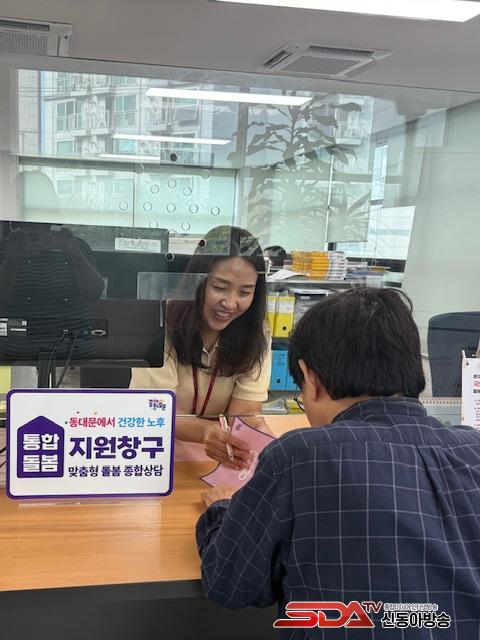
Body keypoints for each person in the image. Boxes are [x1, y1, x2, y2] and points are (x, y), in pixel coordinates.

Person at [196, 288, 480, 638]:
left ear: (310, 378)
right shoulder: (474, 450)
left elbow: (230, 583)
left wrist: (222, 510)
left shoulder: (302, 454)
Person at [130, 226, 272, 469]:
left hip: (214, 457)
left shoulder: (256, 334)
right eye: (219, 287)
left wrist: (262, 437)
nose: (230, 303)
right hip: (153, 448)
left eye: (245, 292)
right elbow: (159, 410)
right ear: (197, 281)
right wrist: (206, 431)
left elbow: (245, 412)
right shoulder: (159, 324)